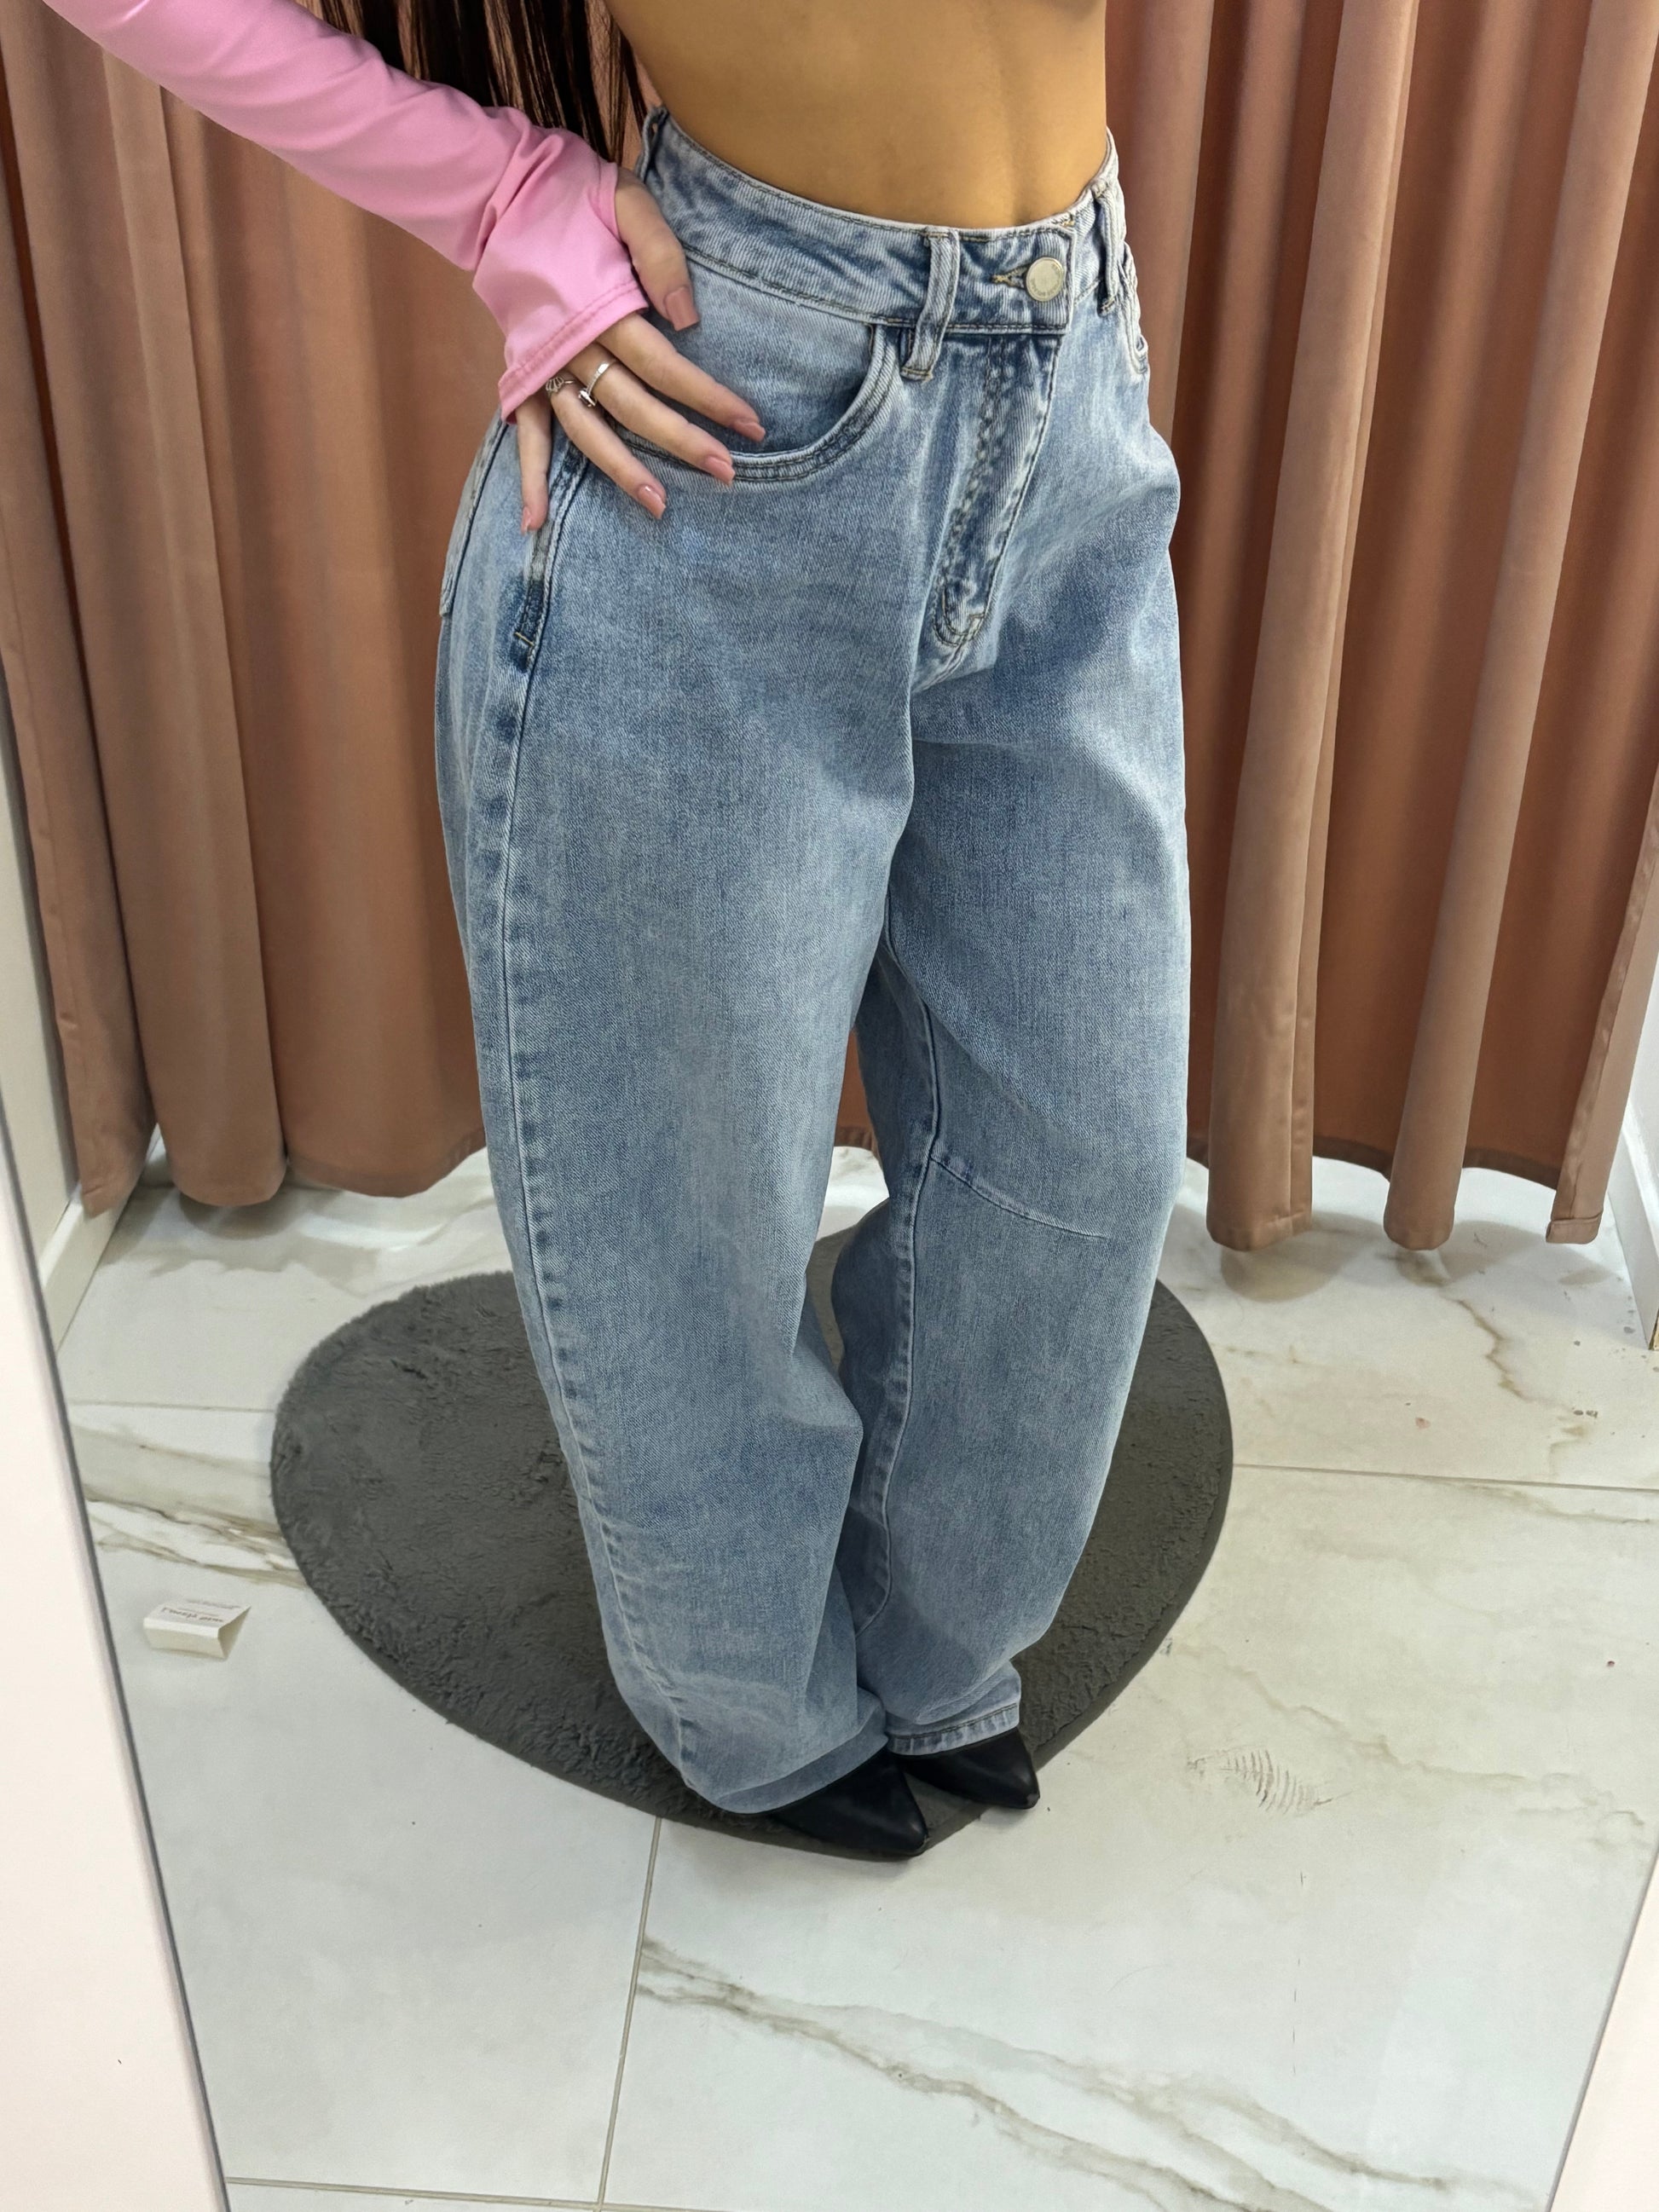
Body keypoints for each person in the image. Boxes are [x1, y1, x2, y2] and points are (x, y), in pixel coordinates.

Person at [38, 0, 1188, 1858]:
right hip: (733, 405)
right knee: (684, 1209)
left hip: (1064, 377)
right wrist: (497, 198)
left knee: (1080, 1149)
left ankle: (937, 1637)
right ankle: (746, 1705)